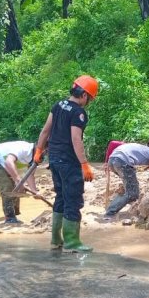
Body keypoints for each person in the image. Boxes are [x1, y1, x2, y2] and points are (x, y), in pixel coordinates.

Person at [34, 75, 99, 253]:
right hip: (69, 162)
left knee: (61, 197)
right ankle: (72, 243)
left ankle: (56, 239)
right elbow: (76, 139)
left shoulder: (58, 105)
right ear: (84, 95)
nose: (88, 103)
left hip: (54, 160)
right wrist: (84, 164)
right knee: (73, 199)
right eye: (89, 99)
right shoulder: (78, 113)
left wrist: (38, 150)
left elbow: (45, 131)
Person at [0, 141, 41, 224]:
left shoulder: (37, 157)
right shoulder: (24, 149)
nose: (45, 154)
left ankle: (14, 214)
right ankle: (10, 219)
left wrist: (34, 192)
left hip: (3, 163)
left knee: (15, 188)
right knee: (7, 187)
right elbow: (8, 162)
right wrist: (18, 181)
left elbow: (30, 174)